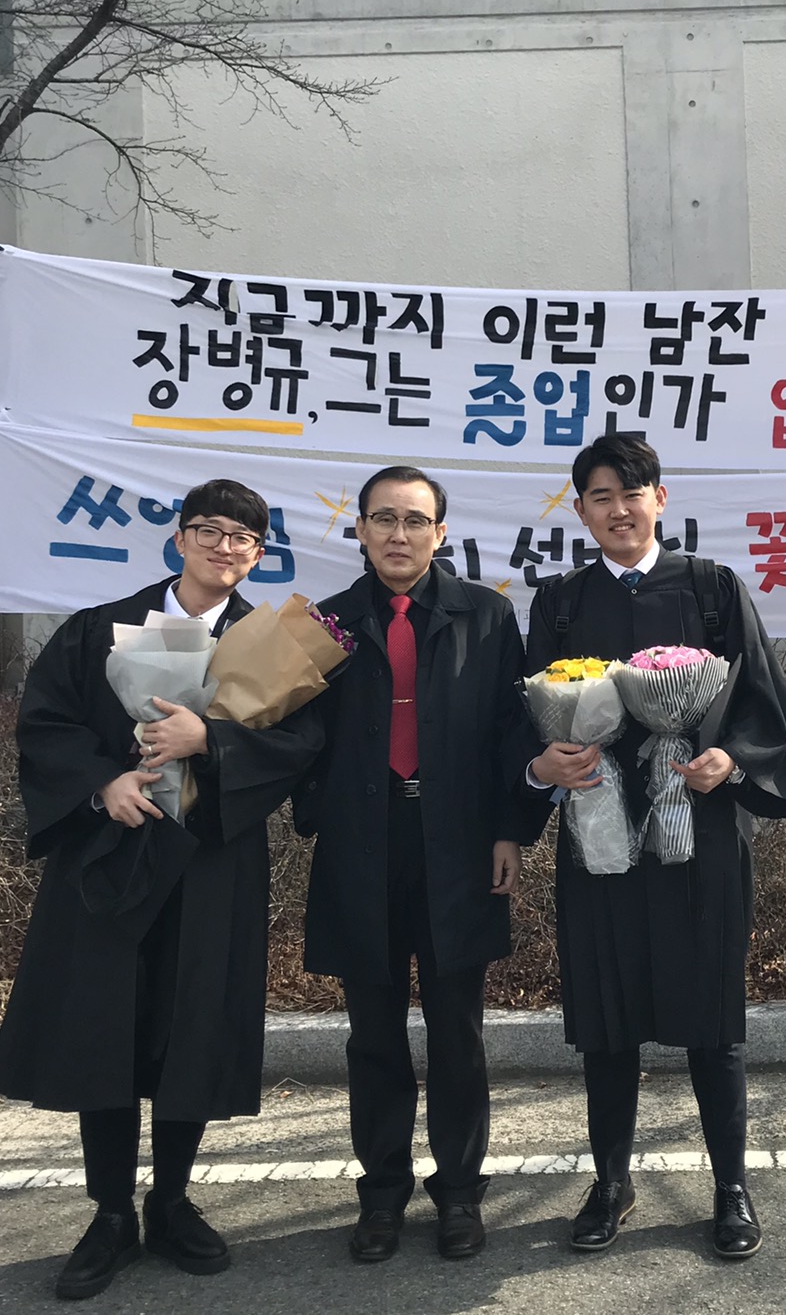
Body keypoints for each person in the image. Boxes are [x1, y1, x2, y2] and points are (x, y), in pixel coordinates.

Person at [0, 479, 324, 1301]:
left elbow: (301, 745)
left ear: (258, 554)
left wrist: (212, 739)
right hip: (110, 851)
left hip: (210, 863)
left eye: (242, 537)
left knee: (191, 1026)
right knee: (105, 1025)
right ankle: (110, 1213)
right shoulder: (100, 629)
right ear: (179, 538)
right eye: (209, 530)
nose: (224, 547)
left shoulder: (272, 647)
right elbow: (46, 724)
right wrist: (101, 784)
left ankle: (170, 1200)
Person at [528, 433, 786, 1260]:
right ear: (581, 511)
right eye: (601, 497)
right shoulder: (560, 602)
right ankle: (610, 1183)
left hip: (702, 828)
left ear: (660, 498)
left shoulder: (712, 589)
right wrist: (544, 764)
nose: (619, 509)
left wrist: (734, 760)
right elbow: (527, 708)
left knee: (713, 1018)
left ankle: (731, 1187)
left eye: (632, 492)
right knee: (606, 1018)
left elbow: (762, 700)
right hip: (599, 829)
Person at [293, 464, 544, 1264]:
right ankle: (381, 1196)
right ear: (360, 530)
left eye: (414, 521)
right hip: (361, 847)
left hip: (458, 847)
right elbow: (297, 738)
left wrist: (509, 830)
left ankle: (460, 1194)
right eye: (383, 519)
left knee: (457, 1033)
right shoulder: (327, 625)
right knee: (372, 1035)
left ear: (441, 532)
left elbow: (512, 731)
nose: (397, 535)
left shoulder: (486, 616)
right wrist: (316, 810)